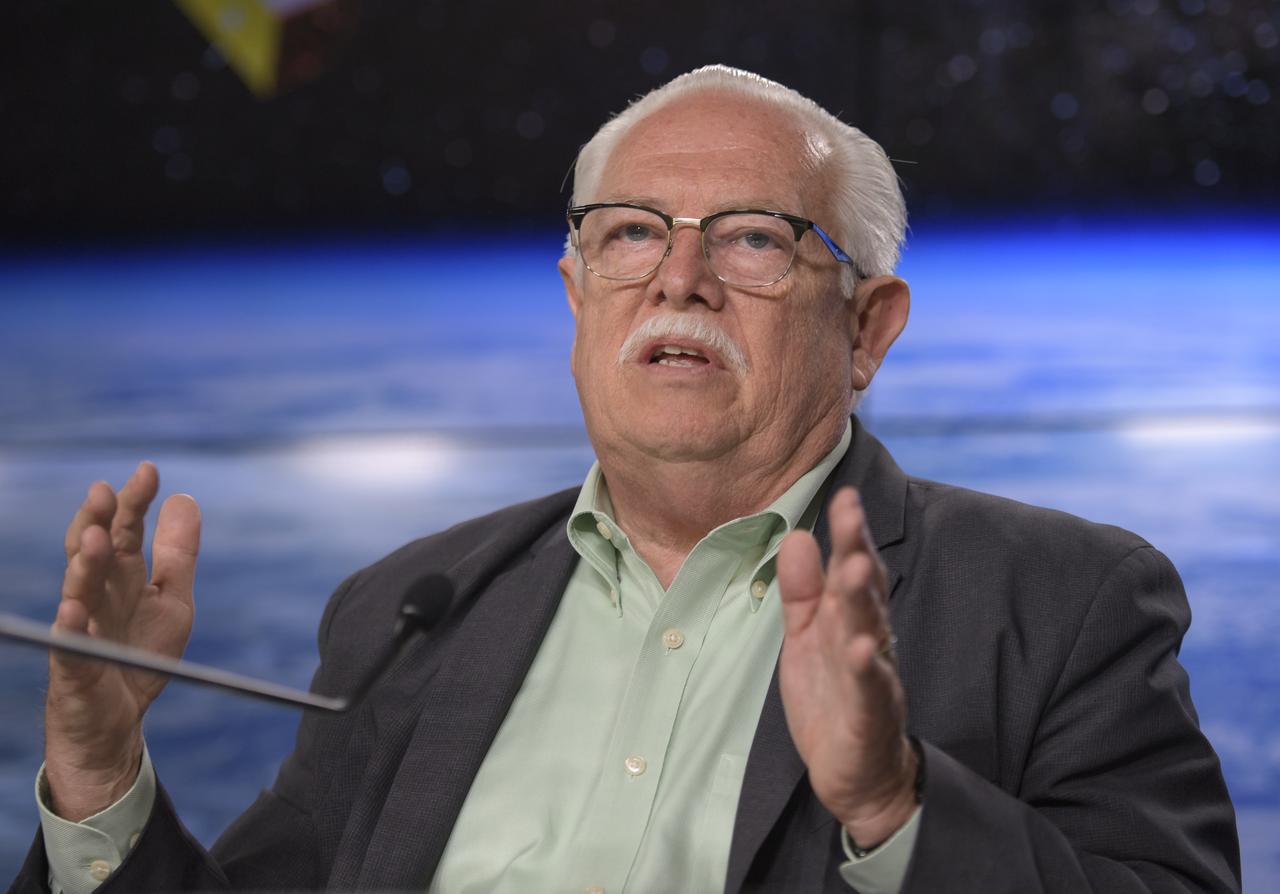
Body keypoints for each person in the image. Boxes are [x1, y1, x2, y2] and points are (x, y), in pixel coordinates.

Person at [11, 65, 1239, 894]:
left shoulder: (1061, 600)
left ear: (867, 329)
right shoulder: (412, 605)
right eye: (630, 232)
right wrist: (98, 770)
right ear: (576, 293)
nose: (678, 279)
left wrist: (890, 803)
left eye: (753, 237)